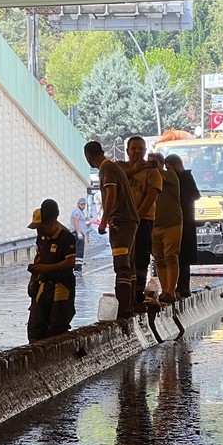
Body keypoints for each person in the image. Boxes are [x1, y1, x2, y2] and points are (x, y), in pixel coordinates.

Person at [85, 140, 139, 319]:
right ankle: (129, 307)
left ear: (88, 156)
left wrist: (104, 220)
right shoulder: (114, 167)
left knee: (122, 266)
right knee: (129, 267)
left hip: (121, 222)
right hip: (130, 221)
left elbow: (111, 195)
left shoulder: (106, 169)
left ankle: (123, 310)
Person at [120, 136, 162, 309]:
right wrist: (133, 170)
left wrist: (136, 216)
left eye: (140, 148)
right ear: (128, 150)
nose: (136, 151)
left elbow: (152, 195)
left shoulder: (152, 171)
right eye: (133, 148)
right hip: (123, 221)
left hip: (143, 220)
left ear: (145, 150)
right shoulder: (120, 168)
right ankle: (125, 295)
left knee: (141, 256)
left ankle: (138, 294)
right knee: (124, 258)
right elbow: (114, 180)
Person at [27, 199, 77, 341]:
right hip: (44, 285)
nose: (39, 231)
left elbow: (70, 262)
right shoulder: (42, 237)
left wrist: (47, 268)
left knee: (56, 327)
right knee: (35, 326)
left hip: (62, 286)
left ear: (50, 223)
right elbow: (39, 256)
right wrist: (33, 279)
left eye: (41, 227)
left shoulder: (66, 237)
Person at [163, 154, 200, 298]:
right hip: (180, 220)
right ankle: (179, 286)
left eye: (170, 168)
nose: (169, 172)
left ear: (177, 165)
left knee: (183, 256)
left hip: (186, 221)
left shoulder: (185, 178)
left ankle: (183, 286)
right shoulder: (181, 178)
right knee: (178, 255)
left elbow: (195, 195)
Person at [149, 152, 182, 303]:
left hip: (172, 223)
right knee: (159, 259)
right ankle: (165, 290)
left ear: (161, 163)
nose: (151, 166)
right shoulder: (147, 178)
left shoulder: (170, 176)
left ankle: (171, 291)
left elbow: (160, 178)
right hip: (154, 224)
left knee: (171, 256)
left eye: (154, 163)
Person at [70, 197, 90, 268]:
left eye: (84, 204)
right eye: (82, 204)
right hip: (78, 233)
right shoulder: (77, 211)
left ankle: (77, 265)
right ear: (78, 204)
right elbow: (76, 221)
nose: (83, 206)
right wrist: (78, 232)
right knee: (79, 250)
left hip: (79, 232)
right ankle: (77, 266)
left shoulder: (79, 211)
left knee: (78, 249)